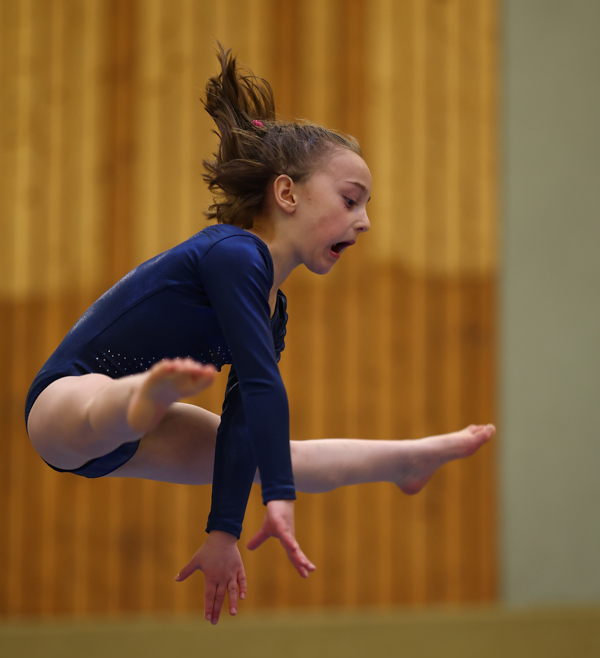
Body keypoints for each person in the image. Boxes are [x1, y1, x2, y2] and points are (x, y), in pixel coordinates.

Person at [25, 44, 495, 625]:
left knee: (271, 453)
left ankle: (406, 462)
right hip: (64, 402)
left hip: (126, 443)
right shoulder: (233, 253)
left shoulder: (273, 310)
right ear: (287, 193)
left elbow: (245, 421)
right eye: (351, 200)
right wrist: (278, 499)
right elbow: (262, 382)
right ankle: (143, 397)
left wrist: (223, 532)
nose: (365, 221)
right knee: (101, 406)